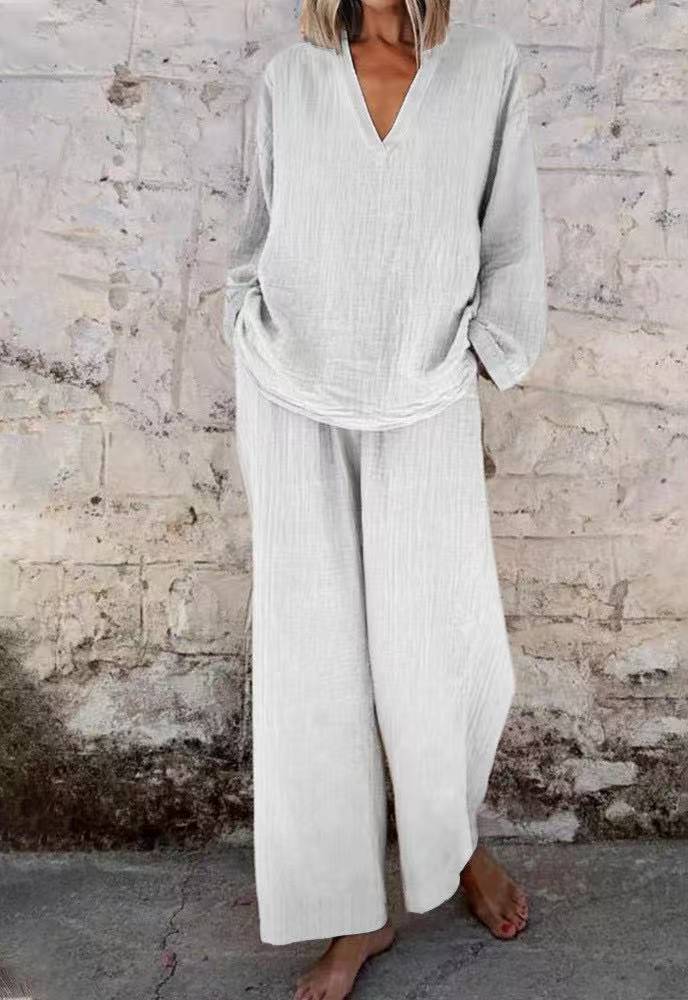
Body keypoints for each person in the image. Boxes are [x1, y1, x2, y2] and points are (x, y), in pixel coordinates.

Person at [223, 0, 547, 996]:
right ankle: (355, 916)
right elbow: (255, 231)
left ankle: (457, 849)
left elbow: (511, 233)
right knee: (316, 665)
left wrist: (483, 355)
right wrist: (246, 320)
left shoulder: (484, 68)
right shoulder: (291, 78)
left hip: (425, 400)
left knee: (433, 648)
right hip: (292, 398)